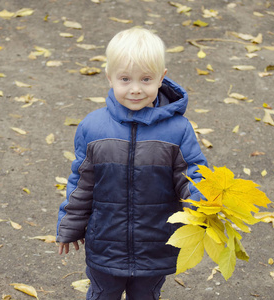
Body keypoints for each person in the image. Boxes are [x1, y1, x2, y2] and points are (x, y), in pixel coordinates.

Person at [56, 27, 208, 300]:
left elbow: (192, 174)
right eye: (125, 79)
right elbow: (81, 181)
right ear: (109, 77)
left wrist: (203, 207)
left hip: (156, 243)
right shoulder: (93, 127)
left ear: (161, 77)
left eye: (146, 79)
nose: (136, 89)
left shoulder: (179, 130)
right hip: (106, 243)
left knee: (147, 295)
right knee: (102, 294)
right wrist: (70, 225)